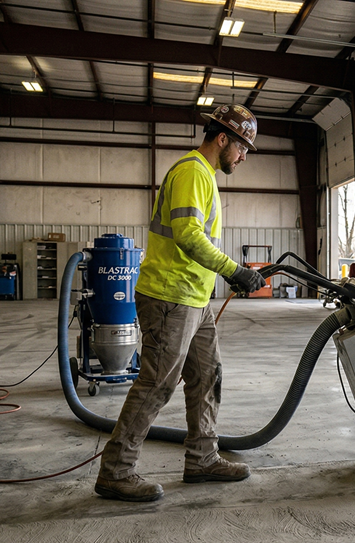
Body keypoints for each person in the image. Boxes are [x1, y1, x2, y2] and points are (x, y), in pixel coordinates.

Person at [94, 104, 267, 502]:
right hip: (170, 297)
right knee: (157, 383)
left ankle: (203, 459)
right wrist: (234, 270)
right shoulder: (192, 171)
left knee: (207, 375)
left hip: (195, 300)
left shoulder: (204, 175)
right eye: (242, 148)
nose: (242, 158)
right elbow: (188, 235)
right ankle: (116, 471)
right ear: (222, 139)